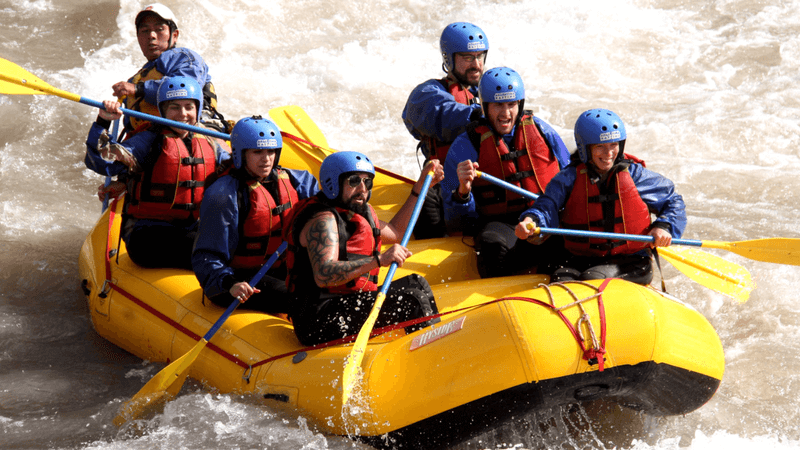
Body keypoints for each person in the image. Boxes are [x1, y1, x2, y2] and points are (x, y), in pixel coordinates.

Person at [283, 151, 443, 346]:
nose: (362, 189)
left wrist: (420, 188)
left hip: (345, 303)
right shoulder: (322, 220)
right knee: (412, 300)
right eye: (354, 181)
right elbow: (324, 274)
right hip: (318, 320)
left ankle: (432, 344)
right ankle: (432, 354)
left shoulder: (357, 212)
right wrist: (378, 261)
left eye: (367, 182)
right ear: (333, 183)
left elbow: (395, 231)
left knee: (417, 283)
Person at [515, 109, 687, 285]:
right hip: (581, 258)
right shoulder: (569, 178)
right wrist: (532, 219)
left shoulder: (636, 176)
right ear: (585, 148)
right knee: (561, 278)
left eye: (614, 145)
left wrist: (664, 226)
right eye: (600, 147)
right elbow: (547, 205)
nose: (608, 154)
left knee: (592, 278)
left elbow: (673, 201)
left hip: (630, 260)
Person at [85, 76, 230, 269]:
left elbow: (236, 172)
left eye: (189, 107)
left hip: (190, 227)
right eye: (174, 107)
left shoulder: (210, 140)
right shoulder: (148, 140)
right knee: (214, 250)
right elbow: (101, 162)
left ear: (198, 108)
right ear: (162, 111)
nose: (183, 114)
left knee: (230, 242)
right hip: (147, 235)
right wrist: (103, 120)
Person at [442, 66, 570, 278]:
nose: (506, 113)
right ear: (485, 107)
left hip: (543, 216)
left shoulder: (541, 130)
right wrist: (463, 193)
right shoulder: (466, 145)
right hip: (502, 223)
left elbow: (571, 178)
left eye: (511, 104)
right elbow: (456, 221)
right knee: (491, 246)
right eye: (498, 105)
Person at [192, 116, 320, 314]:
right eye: (257, 152)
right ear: (240, 154)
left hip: (279, 269)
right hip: (238, 280)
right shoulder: (224, 195)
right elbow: (207, 255)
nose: (266, 159)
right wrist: (230, 283)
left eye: (271, 151)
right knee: (302, 299)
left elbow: (322, 206)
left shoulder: (295, 180)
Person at [401, 22, 489, 239]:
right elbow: (442, 114)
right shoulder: (427, 93)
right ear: (449, 58)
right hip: (443, 187)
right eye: (468, 58)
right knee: (430, 199)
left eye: (480, 56)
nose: (476, 64)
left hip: (483, 183)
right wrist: (479, 115)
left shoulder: (492, 95)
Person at [112, 3, 225, 138]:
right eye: (144, 31)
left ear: (174, 35)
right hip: (148, 142)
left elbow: (184, 89)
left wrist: (138, 89)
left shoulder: (184, 58)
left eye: (159, 29)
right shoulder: (135, 79)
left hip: (192, 135)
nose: (152, 36)